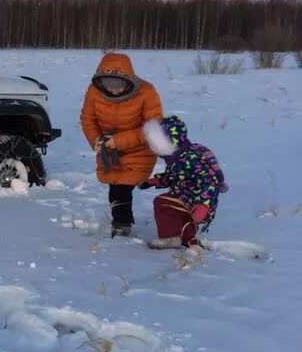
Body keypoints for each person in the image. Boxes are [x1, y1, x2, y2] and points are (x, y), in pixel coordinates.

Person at [80, 52, 163, 237]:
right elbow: (88, 119)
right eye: (109, 87)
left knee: (122, 186)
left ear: (128, 80)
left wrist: (118, 141)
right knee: (116, 184)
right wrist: (95, 140)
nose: (114, 91)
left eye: (119, 87)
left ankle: (121, 225)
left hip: (139, 149)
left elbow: (153, 127)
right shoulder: (94, 91)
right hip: (109, 150)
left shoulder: (146, 91)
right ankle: (124, 219)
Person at [140, 115, 227, 249]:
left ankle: (170, 238)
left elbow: (209, 181)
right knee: (177, 212)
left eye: (155, 144)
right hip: (187, 195)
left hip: (198, 200)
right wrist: (155, 181)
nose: (153, 148)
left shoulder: (191, 158)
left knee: (163, 203)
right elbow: (175, 176)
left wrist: (203, 205)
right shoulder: (178, 155)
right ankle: (187, 237)